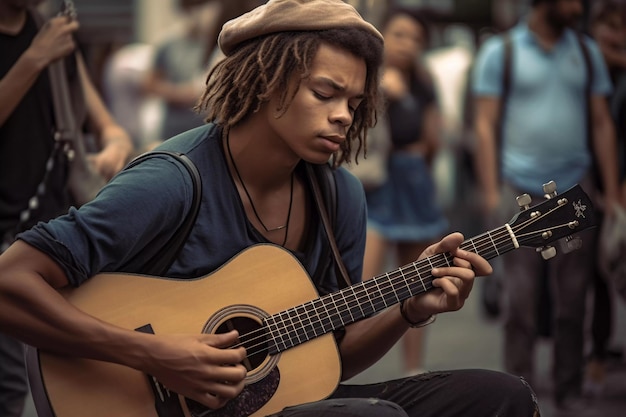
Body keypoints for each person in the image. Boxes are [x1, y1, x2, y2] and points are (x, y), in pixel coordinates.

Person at [0, 1, 540, 416]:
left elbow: (328, 356)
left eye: (354, 103)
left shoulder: (338, 196)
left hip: (275, 404)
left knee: (500, 396)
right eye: (325, 93)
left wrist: (407, 309)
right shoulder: (171, 181)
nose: (343, 116)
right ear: (266, 80)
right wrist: (155, 356)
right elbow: (12, 281)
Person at [472, 0, 623, 410]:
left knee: (573, 301)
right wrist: (490, 192)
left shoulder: (587, 53)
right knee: (519, 303)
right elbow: (484, 124)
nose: (578, 7)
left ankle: (568, 391)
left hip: (575, 193)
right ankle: (521, 396)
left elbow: (601, 122)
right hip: (520, 192)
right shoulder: (500, 52)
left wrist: (609, 194)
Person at [0, 1, 134, 416]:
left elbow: (107, 125)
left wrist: (115, 145)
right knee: (10, 382)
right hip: (6, 237)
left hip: (50, 233)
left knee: (59, 372)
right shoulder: (44, 41)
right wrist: (35, 57)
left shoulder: (50, 28)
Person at [358, 7, 449, 377]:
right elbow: (353, 130)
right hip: (376, 186)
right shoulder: (366, 76)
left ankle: (414, 369)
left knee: (417, 280)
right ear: (382, 36)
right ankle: (345, 364)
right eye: (399, 35)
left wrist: (422, 153)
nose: (407, 45)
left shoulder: (424, 82)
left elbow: (433, 139)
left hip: (413, 186)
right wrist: (382, 94)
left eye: (416, 39)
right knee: (362, 284)